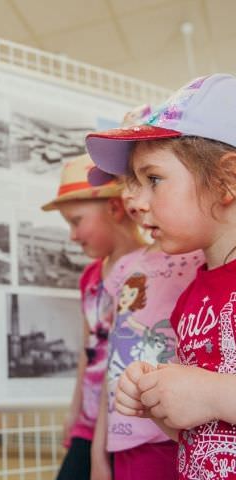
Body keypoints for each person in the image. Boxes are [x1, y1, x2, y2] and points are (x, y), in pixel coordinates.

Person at [85, 73, 236, 480]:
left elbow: (216, 401)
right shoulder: (191, 298)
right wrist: (163, 401)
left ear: (227, 179)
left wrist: (214, 394)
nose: (138, 199)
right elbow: (204, 434)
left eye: (153, 179)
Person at [88, 175, 203, 480]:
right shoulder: (126, 267)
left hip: (175, 434)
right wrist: (98, 449)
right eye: (127, 182)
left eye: (149, 179)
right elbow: (113, 359)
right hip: (124, 437)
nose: (132, 196)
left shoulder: (200, 256)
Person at [42, 153, 144, 480]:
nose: (72, 235)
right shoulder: (88, 278)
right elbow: (89, 350)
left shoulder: (148, 270)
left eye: (76, 221)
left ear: (114, 209)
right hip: (89, 426)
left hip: (129, 424)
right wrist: (74, 411)